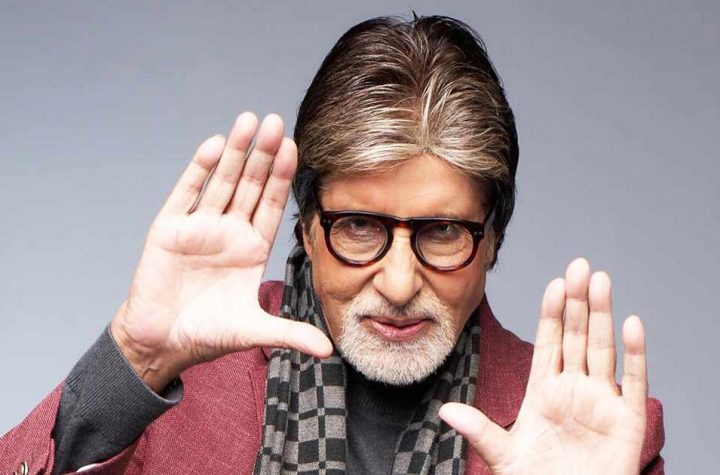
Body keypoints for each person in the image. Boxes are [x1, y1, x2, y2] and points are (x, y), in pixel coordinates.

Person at [1, 14, 664, 475]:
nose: (399, 283)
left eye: (441, 232)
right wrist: (135, 360)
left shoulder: (588, 427)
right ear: (306, 226)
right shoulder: (181, 377)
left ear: (492, 239)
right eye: (359, 226)